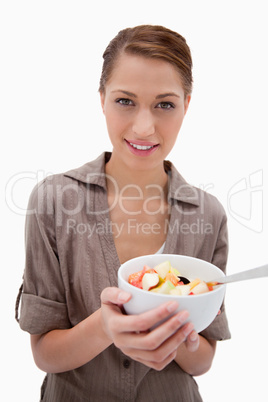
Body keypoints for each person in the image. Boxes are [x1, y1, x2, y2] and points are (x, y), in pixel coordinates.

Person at [16, 25, 231, 401]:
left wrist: (179, 335)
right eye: (125, 101)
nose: (144, 127)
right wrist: (106, 327)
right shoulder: (52, 200)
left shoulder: (208, 214)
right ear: (102, 99)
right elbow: (44, 353)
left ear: (187, 105)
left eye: (165, 104)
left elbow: (203, 359)